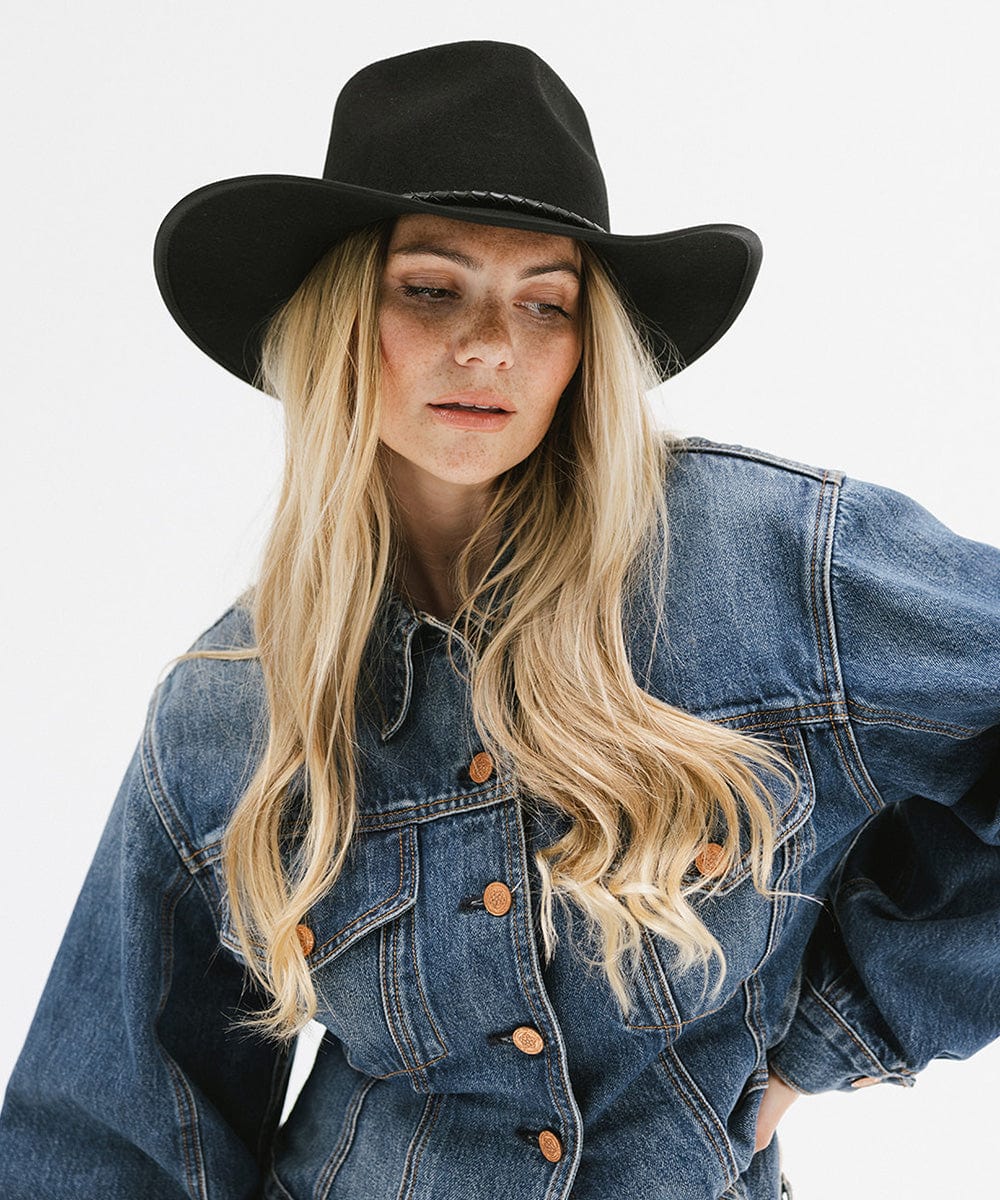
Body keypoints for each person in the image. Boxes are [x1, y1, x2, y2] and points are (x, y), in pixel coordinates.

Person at [1, 39, 997, 1200]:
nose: (489, 346)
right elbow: (111, 1132)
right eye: (431, 289)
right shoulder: (231, 705)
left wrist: (840, 1030)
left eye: (545, 303)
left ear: (587, 346)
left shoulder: (765, 562)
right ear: (339, 317)